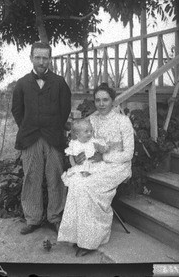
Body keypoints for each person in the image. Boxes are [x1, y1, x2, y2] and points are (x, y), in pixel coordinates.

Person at [57, 83, 134, 256]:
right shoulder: (92, 120)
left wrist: (104, 157)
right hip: (95, 164)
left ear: (112, 101)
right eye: (98, 100)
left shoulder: (123, 121)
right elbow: (81, 144)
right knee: (76, 182)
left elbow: (128, 154)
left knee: (87, 186)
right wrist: (78, 157)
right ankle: (77, 236)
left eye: (105, 100)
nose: (101, 104)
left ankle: (91, 240)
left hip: (118, 165)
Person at [11, 42, 71, 235]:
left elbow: (65, 109)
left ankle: (55, 217)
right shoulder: (21, 84)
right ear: (31, 58)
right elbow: (17, 111)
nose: (41, 61)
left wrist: (53, 126)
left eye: (45, 58)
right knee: (31, 178)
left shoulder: (59, 82)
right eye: (38, 57)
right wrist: (29, 126)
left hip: (53, 137)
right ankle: (33, 219)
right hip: (30, 138)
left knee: (55, 177)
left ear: (49, 59)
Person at [61, 118, 121, 184]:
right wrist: (74, 166)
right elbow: (71, 157)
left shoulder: (93, 142)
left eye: (91, 131)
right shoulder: (74, 144)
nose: (89, 133)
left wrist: (105, 148)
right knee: (76, 179)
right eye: (86, 131)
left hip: (92, 165)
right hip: (80, 166)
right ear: (77, 134)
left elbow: (102, 150)